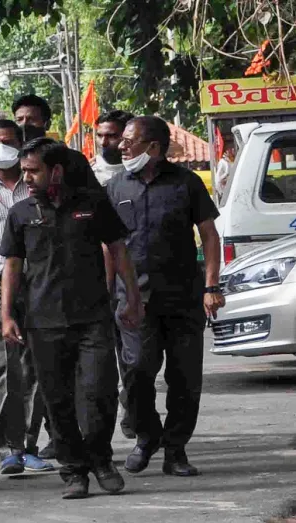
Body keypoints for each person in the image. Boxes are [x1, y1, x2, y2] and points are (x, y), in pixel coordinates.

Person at [0, 137, 143, 499]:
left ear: (56, 171)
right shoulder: (20, 214)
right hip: (42, 321)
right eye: (24, 171)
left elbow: (118, 250)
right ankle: (73, 472)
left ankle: (102, 461)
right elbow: (12, 266)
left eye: (33, 171)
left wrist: (133, 299)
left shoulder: (93, 204)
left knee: (99, 392)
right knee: (57, 400)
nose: (26, 178)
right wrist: (6, 315)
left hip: (93, 317)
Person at [106, 116, 224, 478]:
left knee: (185, 379)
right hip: (134, 301)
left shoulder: (186, 183)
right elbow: (108, 246)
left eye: (130, 142)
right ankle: (147, 436)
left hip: (183, 298)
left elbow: (209, 235)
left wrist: (212, 286)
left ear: (154, 147)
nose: (122, 147)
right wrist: (106, 293)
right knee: (137, 372)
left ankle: (175, 450)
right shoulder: (115, 186)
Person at [0, 120, 54, 475]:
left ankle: (29, 445)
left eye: (8, 141)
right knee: (5, 367)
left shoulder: (37, 183)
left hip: (37, 283)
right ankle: (9, 449)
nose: (1, 148)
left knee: (35, 367)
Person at [88, 110, 137, 439]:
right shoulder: (88, 176)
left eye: (113, 136)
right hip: (98, 277)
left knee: (136, 356)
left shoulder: (138, 173)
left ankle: (133, 405)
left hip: (137, 275)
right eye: (101, 135)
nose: (106, 142)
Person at [93, 110, 135, 186]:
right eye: (99, 135)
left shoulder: (144, 173)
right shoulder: (88, 173)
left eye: (111, 136)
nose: (103, 142)